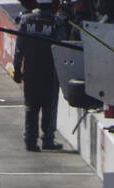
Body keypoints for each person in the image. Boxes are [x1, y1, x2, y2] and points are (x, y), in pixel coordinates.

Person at [13, 0, 67, 151]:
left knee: (31, 107)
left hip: (30, 71)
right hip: (49, 71)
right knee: (49, 107)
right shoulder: (57, 22)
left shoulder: (26, 19)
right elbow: (61, 46)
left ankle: (30, 141)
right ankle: (48, 140)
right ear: (52, 5)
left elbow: (19, 48)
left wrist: (17, 69)